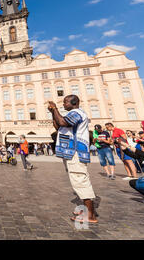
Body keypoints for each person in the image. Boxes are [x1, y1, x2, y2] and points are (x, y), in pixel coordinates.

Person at [48, 95, 98, 224]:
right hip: (71, 153)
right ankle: (86, 210)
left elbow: (63, 122)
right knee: (77, 181)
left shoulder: (77, 113)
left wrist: (55, 109)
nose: (63, 105)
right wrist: (53, 113)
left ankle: (91, 215)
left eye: (65, 102)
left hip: (76, 151)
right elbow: (59, 127)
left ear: (74, 102)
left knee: (80, 180)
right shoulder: (71, 114)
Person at [118, 140, 144, 204]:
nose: (142, 147)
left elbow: (142, 153)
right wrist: (124, 149)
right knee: (133, 182)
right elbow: (134, 155)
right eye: (142, 146)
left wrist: (128, 146)